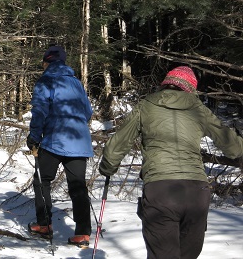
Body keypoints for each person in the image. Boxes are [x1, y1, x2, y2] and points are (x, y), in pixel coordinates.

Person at [99, 66, 243, 259]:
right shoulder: (199, 109)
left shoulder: (146, 105)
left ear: (166, 83)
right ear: (190, 88)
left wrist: (108, 167)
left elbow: (118, 144)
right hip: (196, 193)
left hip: (160, 191)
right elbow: (233, 146)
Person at [26, 45, 94, 248]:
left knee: (41, 180)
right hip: (79, 141)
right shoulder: (76, 83)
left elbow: (40, 111)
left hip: (56, 139)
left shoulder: (46, 81)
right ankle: (82, 234)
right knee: (78, 186)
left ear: (47, 61)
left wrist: (34, 136)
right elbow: (88, 112)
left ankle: (44, 224)